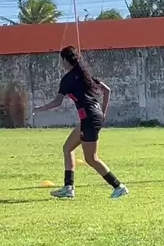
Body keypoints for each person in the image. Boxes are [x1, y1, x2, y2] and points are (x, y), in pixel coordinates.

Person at [33, 45, 128, 200]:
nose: (61, 63)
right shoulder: (85, 74)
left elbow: (57, 102)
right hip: (93, 116)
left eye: (61, 60)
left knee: (91, 158)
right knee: (67, 148)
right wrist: (103, 113)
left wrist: (39, 109)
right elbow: (107, 90)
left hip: (89, 118)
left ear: (65, 60)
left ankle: (119, 186)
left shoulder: (68, 79)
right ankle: (68, 188)